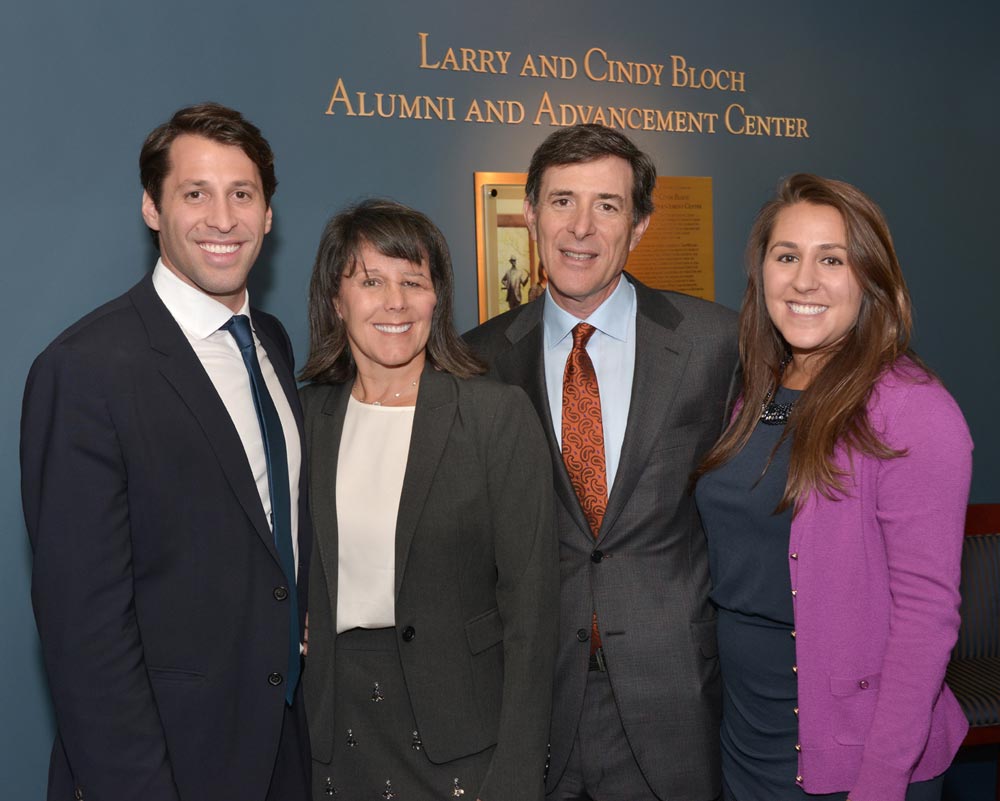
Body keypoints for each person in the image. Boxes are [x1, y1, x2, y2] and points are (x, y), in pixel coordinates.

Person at [20, 103, 311, 801]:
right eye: (194, 193)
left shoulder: (270, 339)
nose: (222, 218)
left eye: (243, 194)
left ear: (268, 214)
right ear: (152, 208)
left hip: (283, 748)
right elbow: (83, 631)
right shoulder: (84, 368)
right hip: (166, 766)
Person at [464, 124, 739, 801]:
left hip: (671, 688)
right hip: (533, 696)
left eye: (607, 206)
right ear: (529, 213)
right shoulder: (480, 358)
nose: (580, 227)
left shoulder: (717, 343)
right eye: (561, 201)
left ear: (640, 224)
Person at [694, 174, 971, 801]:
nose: (804, 280)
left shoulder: (912, 410)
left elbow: (926, 615)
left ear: (872, 279)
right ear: (762, 272)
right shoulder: (754, 392)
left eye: (832, 260)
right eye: (786, 256)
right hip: (746, 734)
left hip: (855, 755)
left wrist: (881, 780)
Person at [298, 199, 558, 801]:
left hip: (462, 740)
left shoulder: (494, 416)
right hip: (337, 733)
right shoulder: (306, 417)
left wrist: (518, 777)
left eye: (413, 281)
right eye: (371, 282)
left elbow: (534, 612)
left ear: (437, 298)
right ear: (336, 302)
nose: (395, 302)